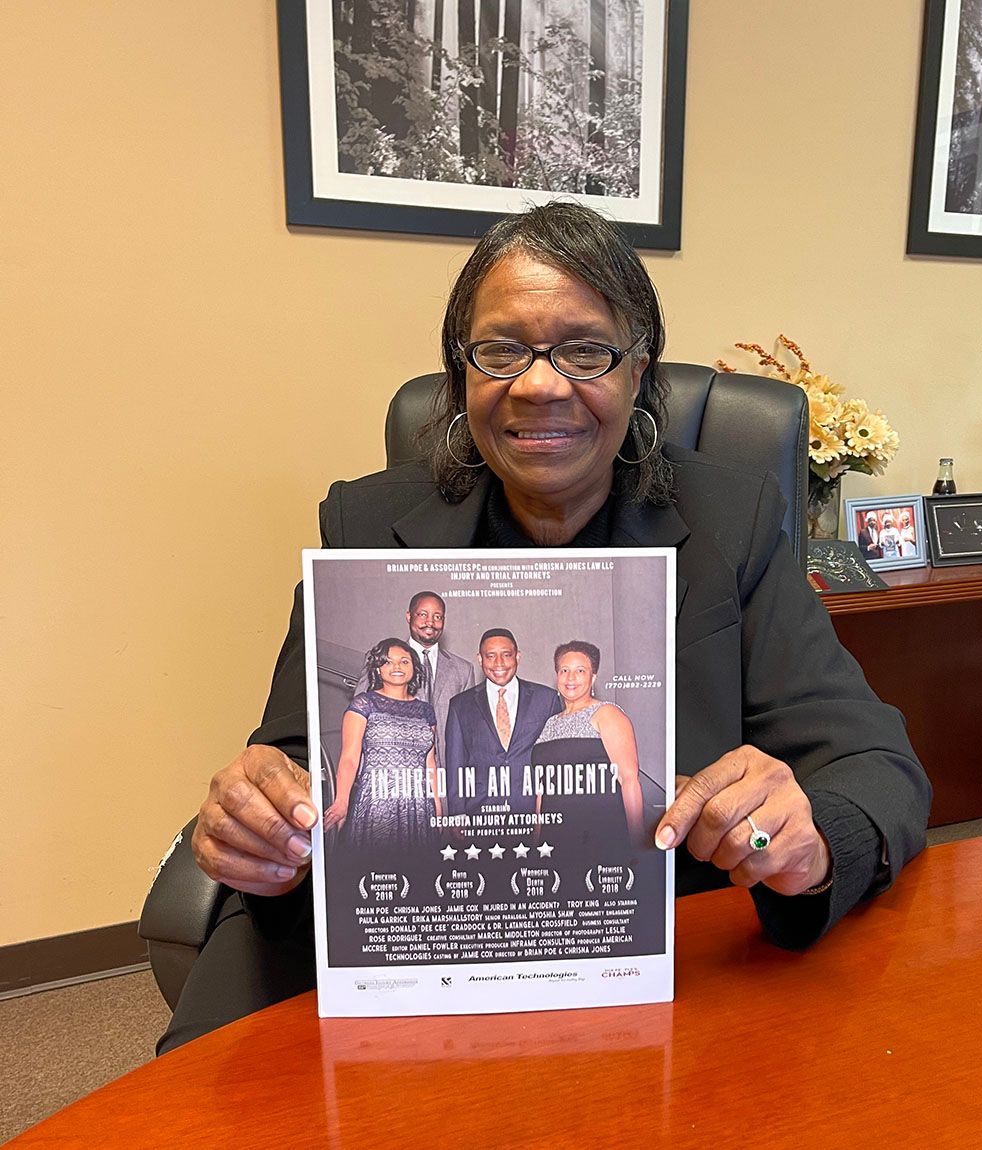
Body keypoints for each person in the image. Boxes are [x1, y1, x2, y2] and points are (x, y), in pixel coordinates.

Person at [168, 201, 930, 1053]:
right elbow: (296, 758)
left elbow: (873, 762)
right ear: (461, 375)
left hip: (654, 962)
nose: (540, 383)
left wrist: (808, 841)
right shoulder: (364, 522)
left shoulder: (734, 521)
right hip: (416, 944)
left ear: (638, 371)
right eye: (501, 350)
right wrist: (258, 816)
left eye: (586, 349)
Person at [324, 637, 439, 848]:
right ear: (378, 669)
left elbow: (430, 763)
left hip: (419, 806)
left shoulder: (425, 710)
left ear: (414, 667)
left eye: (404, 661)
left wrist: (439, 809)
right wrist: (341, 801)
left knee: (422, 874)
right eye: (388, 661)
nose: (397, 666)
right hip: (377, 803)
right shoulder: (364, 704)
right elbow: (349, 758)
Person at [353, 591, 475, 788]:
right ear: (409, 616)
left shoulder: (463, 670)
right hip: (393, 777)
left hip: (446, 779)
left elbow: (469, 732)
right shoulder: (380, 660)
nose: (430, 622)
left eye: (437, 616)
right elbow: (357, 721)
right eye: (423, 614)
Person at [531, 641, 644, 852]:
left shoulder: (606, 713)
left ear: (593, 678)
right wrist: (537, 843)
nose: (570, 678)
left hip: (599, 836)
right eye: (564, 670)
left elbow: (629, 779)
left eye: (580, 671)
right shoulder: (550, 723)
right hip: (554, 840)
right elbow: (542, 792)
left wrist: (637, 844)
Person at [444, 628, 560, 819]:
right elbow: (456, 765)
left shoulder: (546, 699)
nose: (499, 663)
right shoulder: (460, 705)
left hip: (534, 814)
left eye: (506, 655)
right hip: (480, 815)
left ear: (518, 657)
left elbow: (556, 762)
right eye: (490, 656)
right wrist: (457, 814)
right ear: (480, 659)